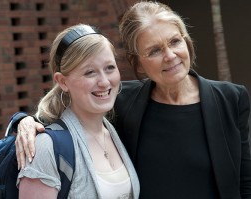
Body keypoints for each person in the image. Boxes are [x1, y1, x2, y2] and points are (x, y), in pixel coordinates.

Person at [14, 1, 251, 198]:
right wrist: (23, 121)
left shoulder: (230, 99)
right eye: (154, 51)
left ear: (186, 41)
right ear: (137, 62)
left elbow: (245, 181)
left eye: (175, 41)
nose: (170, 56)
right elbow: (69, 106)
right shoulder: (122, 99)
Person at [16, 24, 140, 199]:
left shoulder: (118, 129)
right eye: (90, 72)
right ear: (62, 81)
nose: (104, 82)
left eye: (110, 68)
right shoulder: (45, 148)